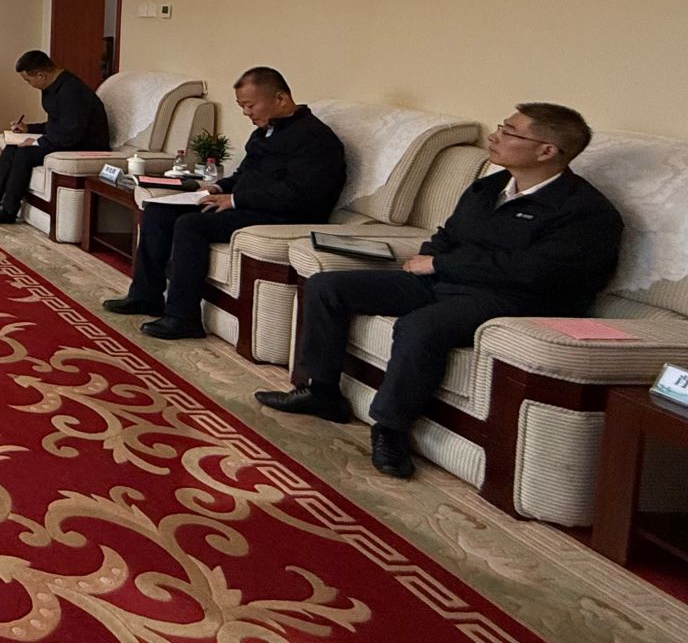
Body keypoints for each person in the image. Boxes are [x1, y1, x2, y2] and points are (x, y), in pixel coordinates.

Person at [257, 104, 623, 479]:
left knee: (420, 326)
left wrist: (441, 264)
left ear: (547, 151)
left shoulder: (585, 212)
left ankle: (391, 429)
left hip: (507, 300)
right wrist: (432, 257)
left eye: (510, 132)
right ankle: (321, 391)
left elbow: (532, 272)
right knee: (329, 285)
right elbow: (449, 234)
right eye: (501, 127)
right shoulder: (492, 185)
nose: (495, 136)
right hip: (443, 281)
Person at [104, 67, 346, 340]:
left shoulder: (316, 139)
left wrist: (235, 199)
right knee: (158, 211)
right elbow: (245, 174)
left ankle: (183, 317)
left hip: (283, 216)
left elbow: (299, 194)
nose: (246, 113)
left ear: (280, 98)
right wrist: (217, 187)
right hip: (247, 205)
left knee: (191, 225)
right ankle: (145, 296)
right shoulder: (265, 131)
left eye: (250, 105)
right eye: (242, 106)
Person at [0, 50, 110, 225]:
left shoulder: (72, 91)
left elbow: (71, 134)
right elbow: (57, 125)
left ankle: (8, 211)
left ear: (41, 75)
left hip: (85, 145)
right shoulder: (52, 87)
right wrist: (29, 129)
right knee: (12, 147)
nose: (29, 84)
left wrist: (37, 141)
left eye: (28, 80)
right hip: (67, 137)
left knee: (25, 153)